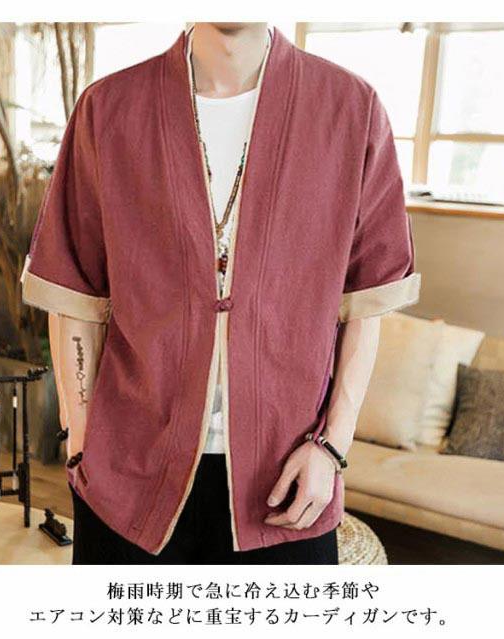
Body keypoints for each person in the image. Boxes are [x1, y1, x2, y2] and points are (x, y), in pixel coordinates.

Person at [21, 22, 421, 564]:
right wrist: (83, 437)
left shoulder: (351, 108)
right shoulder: (109, 108)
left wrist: (332, 448)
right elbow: (75, 291)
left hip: (286, 479)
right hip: (128, 475)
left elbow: (366, 299)